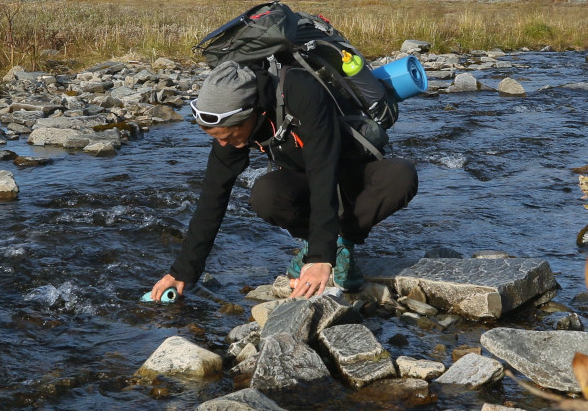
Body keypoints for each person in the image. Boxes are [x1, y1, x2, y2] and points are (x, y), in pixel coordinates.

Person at [148, 60, 417, 302]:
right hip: (304, 180)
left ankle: (341, 242)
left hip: (352, 170)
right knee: (266, 194)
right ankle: (325, 243)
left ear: (250, 113)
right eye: (217, 138)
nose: (223, 144)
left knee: (401, 176)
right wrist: (183, 271)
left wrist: (321, 256)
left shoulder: (301, 91)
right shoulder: (232, 125)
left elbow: (324, 170)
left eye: (227, 136)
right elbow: (211, 198)